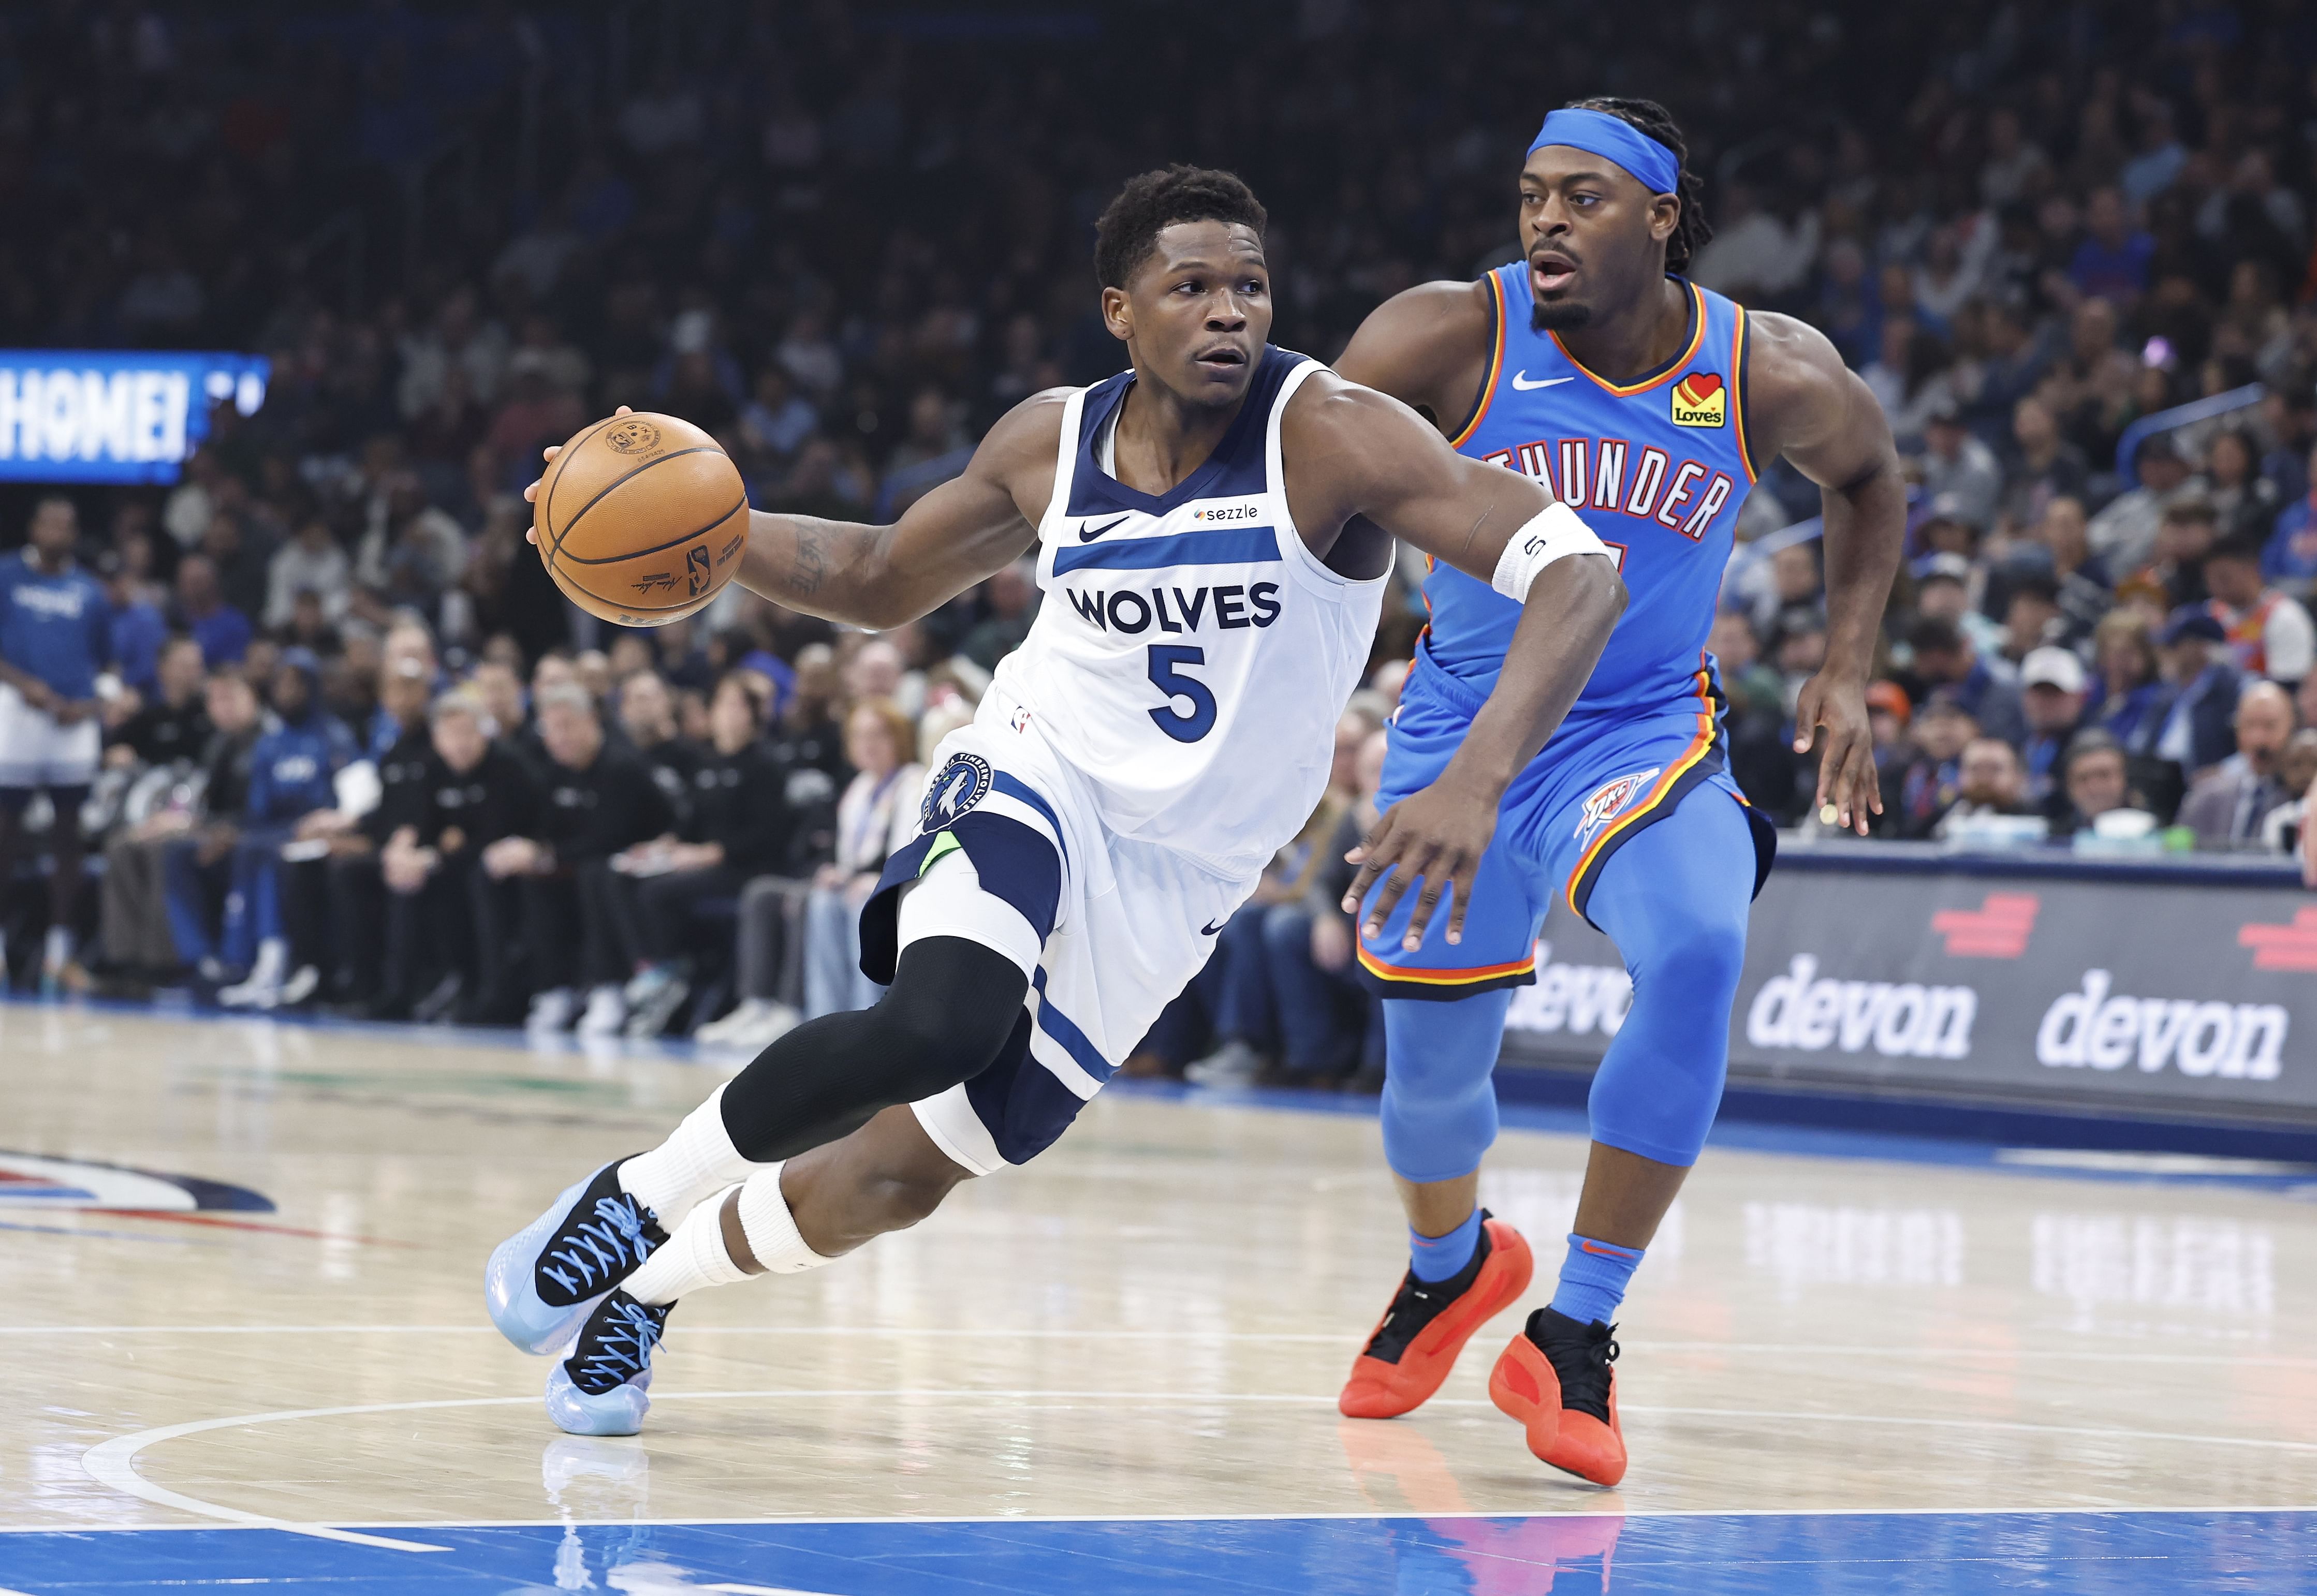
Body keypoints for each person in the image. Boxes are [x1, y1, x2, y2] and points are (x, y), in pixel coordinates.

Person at [485, 165, 1625, 1438]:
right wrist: (709, 526)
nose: (1228, 312)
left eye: (1248, 285)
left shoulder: (1333, 433)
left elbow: (1577, 570)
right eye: (1189, 287)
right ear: (1118, 310)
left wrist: (1477, 782)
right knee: (939, 1021)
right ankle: (630, 1200)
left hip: (1183, 871)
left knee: (899, 1177)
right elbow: (873, 578)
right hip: (1040, 769)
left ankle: (645, 1290)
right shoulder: (1049, 442)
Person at [1324, 98, 1901, 1485]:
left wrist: (1845, 665)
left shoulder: (1770, 372)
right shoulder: (1444, 335)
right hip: (1453, 729)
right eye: (1530, 195)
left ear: (1659, 215)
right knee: (1430, 1091)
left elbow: (1870, 480)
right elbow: (1310, 489)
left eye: (1581, 197)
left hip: (1634, 733)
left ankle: (1572, 1325)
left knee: (1700, 948)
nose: (1543, 222)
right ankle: (1447, 1266)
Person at [485, 683, 675, 1036]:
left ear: (591, 722)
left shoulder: (621, 767)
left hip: (638, 865)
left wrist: (545, 854)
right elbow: (546, 831)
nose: (559, 738)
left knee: (593, 873)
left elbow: (609, 839)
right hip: (588, 863)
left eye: (567, 726)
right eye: (551, 729)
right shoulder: (556, 772)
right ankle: (554, 988)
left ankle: (609, 986)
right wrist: (524, 849)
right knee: (532, 877)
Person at [618, 672, 793, 1038]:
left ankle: (672, 971)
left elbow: (768, 834)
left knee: (659, 893)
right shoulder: (708, 763)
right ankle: (650, 968)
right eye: (721, 704)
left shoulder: (766, 765)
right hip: (701, 865)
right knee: (625, 876)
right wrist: (662, 846)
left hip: (746, 869)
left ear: (752, 714)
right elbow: (690, 824)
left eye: (735, 705)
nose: (726, 714)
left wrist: (710, 854)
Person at [0, 497, 114, 990]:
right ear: (33, 527)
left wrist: (86, 707)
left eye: (66, 525)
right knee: (7, 834)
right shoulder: (7, 576)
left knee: (69, 835)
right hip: (17, 713)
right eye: (49, 522)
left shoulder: (90, 592)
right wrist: (24, 685)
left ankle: (59, 949)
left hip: (72, 725)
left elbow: (105, 664)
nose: (57, 531)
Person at [374, 688, 539, 1023]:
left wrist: (440, 852)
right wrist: (410, 851)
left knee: (477, 876)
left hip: (513, 861)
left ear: (483, 732)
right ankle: (403, 990)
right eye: (451, 734)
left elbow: (494, 835)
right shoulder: (435, 769)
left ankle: (495, 992)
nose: (460, 743)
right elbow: (427, 827)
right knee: (408, 878)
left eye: (467, 732)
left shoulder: (507, 765)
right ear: (437, 739)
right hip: (459, 863)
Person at [801, 696, 922, 1020]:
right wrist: (837, 873)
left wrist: (876, 880)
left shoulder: (914, 782)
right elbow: (850, 860)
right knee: (823, 901)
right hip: (863, 883)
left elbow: (909, 853)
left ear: (898, 738)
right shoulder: (858, 788)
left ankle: (865, 1016)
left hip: (904, 887)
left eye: (877, 735)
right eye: (858, 735)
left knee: (862, 903)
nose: (867, 744)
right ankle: (825, 1017)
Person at [2177, 681, 2299, 850]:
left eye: (2269, 726)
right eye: (2249, 725)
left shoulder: (2304, 800)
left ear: (2292, 727)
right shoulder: (2205, 798)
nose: (2258, 739)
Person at [2203, 534, 2314, 688]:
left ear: (2252, 569)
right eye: (2210, 580)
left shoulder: (2284, 617)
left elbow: (2290, 685)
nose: (2216, 588)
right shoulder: (2210, 615)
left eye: (2224, 578)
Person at [1931, 736, 2029, 838]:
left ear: (2018, 776)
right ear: (1960, 774)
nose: (1984, 779)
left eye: (1995, 769)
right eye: (1976, 769)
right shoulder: (1937, 820)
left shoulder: (2038, 822)